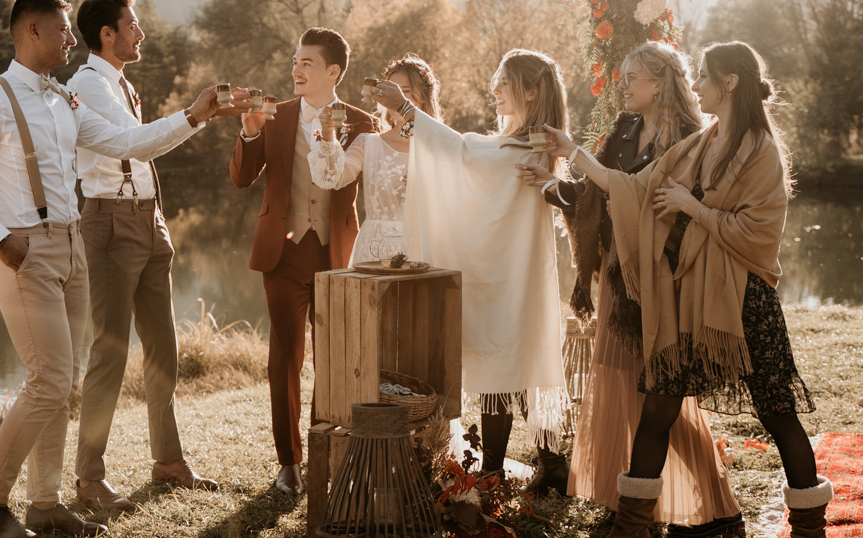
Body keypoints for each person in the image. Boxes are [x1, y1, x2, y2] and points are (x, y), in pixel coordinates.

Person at [0, 0, 241, 538]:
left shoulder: (61, 100)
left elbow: (128, 143)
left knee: (61, 379)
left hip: (73, 244)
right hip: (22, 250)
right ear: (31, 31)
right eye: (61, 31)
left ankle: (46, 505)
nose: (70, 39)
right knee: (49, 380)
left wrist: (195, 115)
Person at [540, 41, 830, 538]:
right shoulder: (701, 142)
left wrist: (691, 208)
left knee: (777, 413)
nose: (694, 84)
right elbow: (633, 187)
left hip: (743, 303)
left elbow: (758, 235)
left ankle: (809, 529)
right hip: (687, 298)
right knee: (657, 407)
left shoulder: (762, 149)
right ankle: (631, 528)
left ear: (730, 82)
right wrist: (574, 154)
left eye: (703, 75)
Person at [519, 42, 744, 533]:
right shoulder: (623, 130)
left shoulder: (690, 137)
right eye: (621, 77)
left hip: (661, 280)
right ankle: (634, 507)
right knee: (625, 389)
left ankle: (714, 506)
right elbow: (599, 194)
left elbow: (649, 204)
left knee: (659, 398)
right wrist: (551, 186)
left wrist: (571, 151)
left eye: (631, 78)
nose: (622, 85)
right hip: (617, 280)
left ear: (659, 83)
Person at [68, 0, 217, 513]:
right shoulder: (86, 85)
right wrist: (193, 116)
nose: (141, 31)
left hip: (149, 222)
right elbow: (131, 144)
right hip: (108, 223)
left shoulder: (121, 84)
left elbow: (146, 143)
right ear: (107, 34)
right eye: (133, 23)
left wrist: (197, 118)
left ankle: (169, 461)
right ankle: (89, 478)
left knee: (163, 347)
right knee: (109, 352)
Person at [402, 49, 570, 487]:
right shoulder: (520, 143)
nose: (494, 89)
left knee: (516, 363)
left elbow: (460, 150)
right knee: (507, 365)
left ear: (531, 92)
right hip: (503, 270)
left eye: (504, 82)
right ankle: (512, 466)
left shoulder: (528, 147)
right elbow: (467, 151)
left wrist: (406, 110)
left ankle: (540, 465)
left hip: (514, 272)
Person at [229, 27, 378, 495]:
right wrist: (249, 134)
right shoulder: (274, 114)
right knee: (285, 359)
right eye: (295, 62)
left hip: (338, 253)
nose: (296, 70)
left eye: (307, 63)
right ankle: (288, 463)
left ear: (333, 71)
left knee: (332, 361)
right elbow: (240, 179)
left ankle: (323, 453)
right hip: (283, 252)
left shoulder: (362, 122)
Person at [308, 53, 443, 265]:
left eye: (405, 93)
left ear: (424, 97)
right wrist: (327, 134)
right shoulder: (367, 143)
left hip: (423, 248)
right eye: (391, 92)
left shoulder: (440, 147)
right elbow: (331, 178)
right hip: (373, 250)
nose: (395, 101)